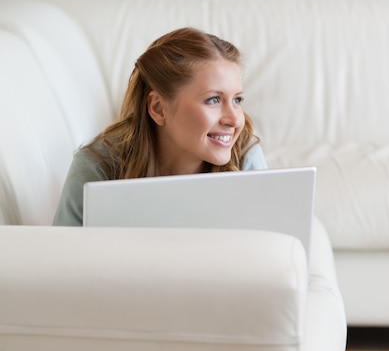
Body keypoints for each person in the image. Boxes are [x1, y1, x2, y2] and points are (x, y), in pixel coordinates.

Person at [53, 27, 267, 226]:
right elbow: (62, 258)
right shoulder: (97, 167)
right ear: (158, 108)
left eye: (237, 100)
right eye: (213, 100)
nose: (235, 120)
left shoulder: (245, 157)